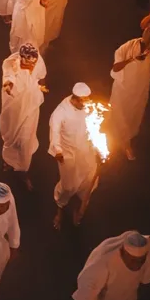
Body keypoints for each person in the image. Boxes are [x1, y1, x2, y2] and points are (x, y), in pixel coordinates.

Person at [48, 82, 98, 229]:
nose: (86, 104)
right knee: (68, 186)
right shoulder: (60, 112)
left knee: (89, 179)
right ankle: (60, 209)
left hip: (87, 151)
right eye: (83, 101)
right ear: (75, 99)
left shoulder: (88, 106)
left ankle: (80, 207)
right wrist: (57, 151)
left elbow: (94, 124)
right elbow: (55, 133)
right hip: (67, 153)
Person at [0, 44, 47, 187]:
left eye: (33, 63)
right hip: (14, 109)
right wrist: (8, 85)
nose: (31, 67)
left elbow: (42, 76)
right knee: (11, 136)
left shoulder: (38, 61)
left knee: (25, 140)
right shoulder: (13, 64)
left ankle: (23, 170)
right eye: (28, 64)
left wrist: (40, 87)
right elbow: (8, 78)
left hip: (30, 109)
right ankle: (9, 160)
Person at [109, 35, 150, 160]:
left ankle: (125, 143)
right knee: (118, 115)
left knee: (133, 117)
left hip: (138, 93)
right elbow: (116, 68)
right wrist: (133, 59)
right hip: (122, 91)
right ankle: (117, 145)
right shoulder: (128, 46)